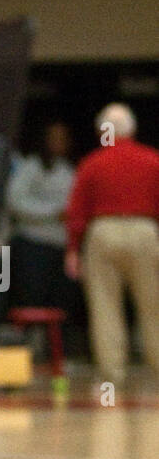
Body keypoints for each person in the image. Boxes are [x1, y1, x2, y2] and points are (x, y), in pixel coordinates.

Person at [64, 102, 159, 384]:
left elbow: (77, 210)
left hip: (103, 232)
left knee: (105, 306)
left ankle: (111, 376)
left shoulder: (92, 163)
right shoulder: (152, 160)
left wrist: (72, 249)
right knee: (153, 305)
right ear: (133, 129)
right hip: (144, 230)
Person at [4, 122, 78, 325]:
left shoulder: (70, 171)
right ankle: (24, 345)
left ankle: (53, 348)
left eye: (62, 138)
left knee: (59, 303)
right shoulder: (30, 166)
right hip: (32, 243)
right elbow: (15, 202)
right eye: (53, 138)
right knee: (29, 298)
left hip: (61, 246)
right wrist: (53, 212)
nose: (57, 143)